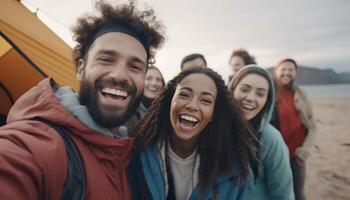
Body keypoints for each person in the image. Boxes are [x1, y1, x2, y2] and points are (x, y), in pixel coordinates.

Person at [0, 1, 165, 199]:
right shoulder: (38, 143)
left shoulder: (132, 158)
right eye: (106, 59)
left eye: (135, 67)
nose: (120, 75)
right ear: (80, 68)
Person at [129, 67, 258, 199]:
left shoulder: (234, 169)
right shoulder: (138, 155)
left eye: (206, 100)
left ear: (213, 114)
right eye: (184, 95)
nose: (192, 105)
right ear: (170, 102)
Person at [229, 65, 294, 200]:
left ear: (267, 101)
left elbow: (283, 193)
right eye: (244, 89)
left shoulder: (270, 138)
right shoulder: (216, 130)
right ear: (232, 90)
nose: (251, 98)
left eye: (260, 94)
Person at [271, 58, 317, 200]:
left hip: (296, 156)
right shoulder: (268, 91)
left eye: (290, 70)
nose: (287, 73)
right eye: (283, 69)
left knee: (298, 195)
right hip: (274, 156)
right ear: (276, 71)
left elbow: (312, 125)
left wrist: (305, 151)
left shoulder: (301, 93)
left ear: (295, 72)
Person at [125, 65, 165, 135]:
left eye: (158, 80)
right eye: (148, 79)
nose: (154, 83)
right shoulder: (126, 111)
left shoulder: (166, 113)